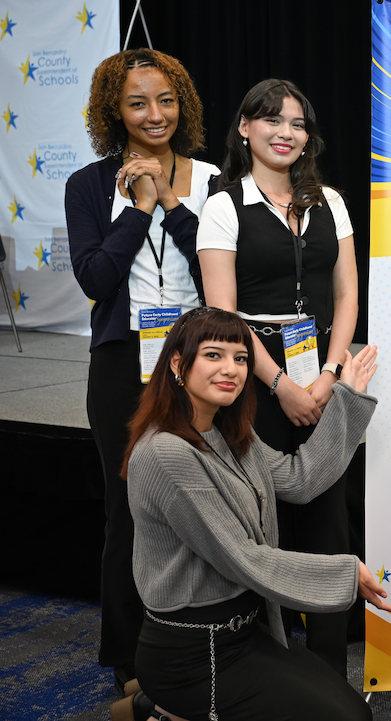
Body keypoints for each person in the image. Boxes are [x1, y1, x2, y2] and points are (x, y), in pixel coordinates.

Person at [114, 307, 391, 721]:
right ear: (177, 363)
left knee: (352, 711)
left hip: (244, 633)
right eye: (213, 355)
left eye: (241, 358)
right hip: (195, 654)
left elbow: (300, 479)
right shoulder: (165, 453)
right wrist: (345, 573)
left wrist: (347, 398)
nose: (231, 369)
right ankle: (162, 707)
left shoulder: (229, 433)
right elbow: (244, 559)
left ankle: (152, 707)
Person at [65, 47, 219, 694]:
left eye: (165, 100)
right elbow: (96, 279)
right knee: (127, 511)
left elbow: (217, 274)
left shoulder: (212, 179)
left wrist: (172, 203)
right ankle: (129, 660)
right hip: (121, 360)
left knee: (207, 505)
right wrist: (138, 208)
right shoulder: (87, 185)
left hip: (200, 360)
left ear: (182, 104)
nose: (155, 114)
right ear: (114, 111)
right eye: (137, 103)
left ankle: (210, 637)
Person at [197, 78, 359, 675]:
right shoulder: (224, 205)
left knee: (328, 524)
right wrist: (279, 386)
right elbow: (222, 314)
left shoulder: (330, 201)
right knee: (260, 526)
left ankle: (329, 673)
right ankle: (268, 670)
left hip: (321, 375)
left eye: (297, 123)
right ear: (245, 128)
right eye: (272, 120)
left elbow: (346, 296)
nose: (286, 133)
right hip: (251, 383)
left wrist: (329, 375)